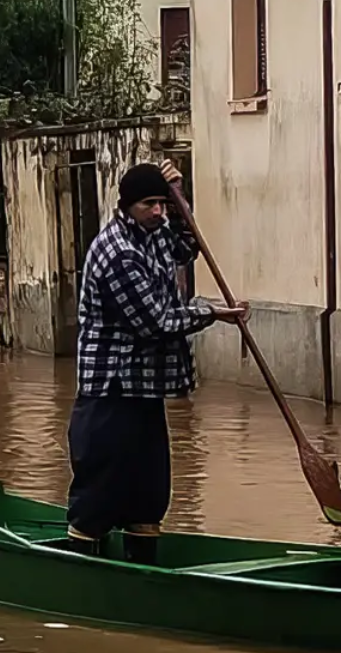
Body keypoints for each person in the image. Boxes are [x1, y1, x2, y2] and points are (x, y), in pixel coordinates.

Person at [66, 160, 248, 565]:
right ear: (128, 205)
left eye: (162, 204)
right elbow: (155, 322)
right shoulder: (117, 253)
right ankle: (80, 569)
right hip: (110, 390)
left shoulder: (157, 232)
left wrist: (181, 194)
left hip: (146, 388)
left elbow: (189, 244)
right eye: (150, 204)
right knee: (100, 490)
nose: (158, 212)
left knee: (150, 492)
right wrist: (214, 313)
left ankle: (143, 566)